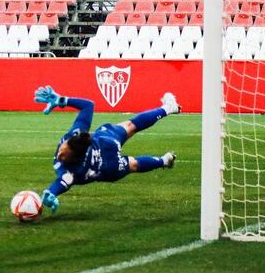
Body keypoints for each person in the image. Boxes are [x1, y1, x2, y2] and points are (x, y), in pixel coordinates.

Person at [34, 86, 181, 214]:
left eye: (64, 154)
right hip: (107, 152)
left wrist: (51, 194)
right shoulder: (75, 147)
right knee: (131, 137)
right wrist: (62, 100)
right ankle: (169, 113)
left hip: (108, 156)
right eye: (62, 151)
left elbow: (61, 183)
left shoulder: (74, 165)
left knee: (133, 158)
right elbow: (88, 106)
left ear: (74, 157)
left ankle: (164, 159)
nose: (60, 154)